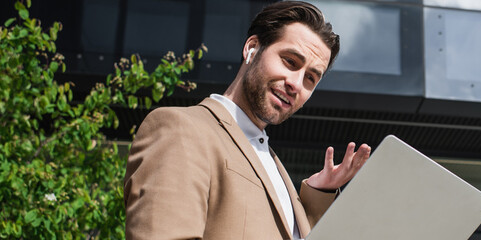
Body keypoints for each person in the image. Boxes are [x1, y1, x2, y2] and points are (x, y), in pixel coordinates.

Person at [123, 1, 370, 239]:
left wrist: (319, 193)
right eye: (290, 61)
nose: (296, 84)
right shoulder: (181, 128)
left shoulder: (272, 163)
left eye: (310, 78)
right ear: (252, 48)